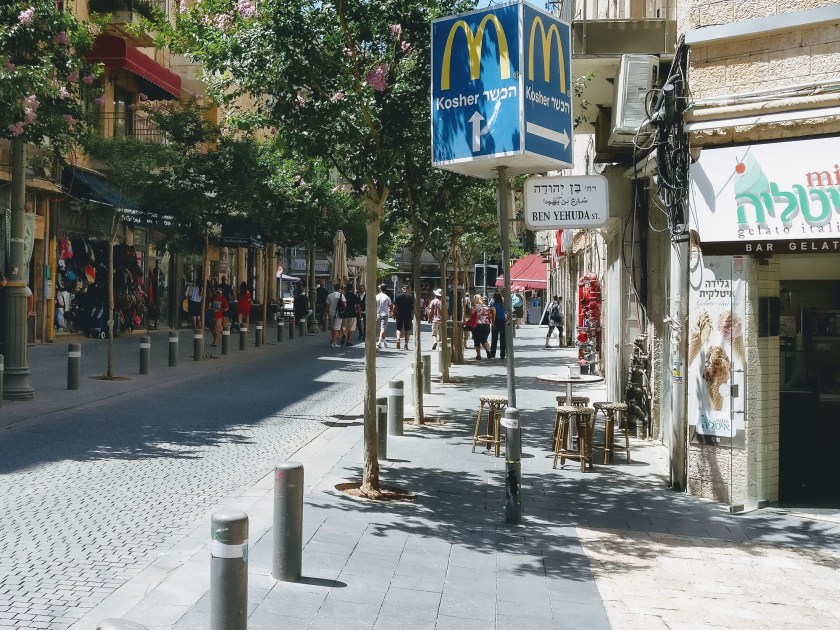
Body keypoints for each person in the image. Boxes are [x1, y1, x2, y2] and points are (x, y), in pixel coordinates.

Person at [392, 284, 415, 350]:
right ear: (408, 289)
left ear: (402, 289)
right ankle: (406, 344)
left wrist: (394, 314)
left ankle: (398, 339)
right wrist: (413, 313)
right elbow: (413, 306)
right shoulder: (411, 297)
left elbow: (394, 306)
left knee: (398, 329)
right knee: (407, 330)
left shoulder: (398, 296)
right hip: (408, 315)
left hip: (399, 314)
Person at [470, 294, 492, 360]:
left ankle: (478, 355)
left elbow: (472, 314)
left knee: (477, 340)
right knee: (484, 340)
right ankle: (488, 351)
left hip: (477, 325)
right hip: (486, 325)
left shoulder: (474, 306)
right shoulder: (486, 307)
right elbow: (489, 316)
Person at [325, 282, 345, 348]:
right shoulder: (341, 295)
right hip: (338, 313)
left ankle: (332, 339)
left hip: (331, 312)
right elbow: (344, 305)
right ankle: (334, 342)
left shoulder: (329, 295)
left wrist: (325, 313)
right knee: (336, 327)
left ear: (334, 288)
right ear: (340, 289)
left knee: (332, 327)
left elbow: (327, 305)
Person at [490, 292, 506, 359]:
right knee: (503, 339)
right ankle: (502, 354)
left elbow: (493, 315)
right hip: (503, 322)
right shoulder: (503, 305)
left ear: (495, 298)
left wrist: (493, 323)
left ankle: (492, 354)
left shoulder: (494, 305)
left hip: (496, 321)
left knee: (494, 339)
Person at [375, 284, 391, 349]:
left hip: (378, 314)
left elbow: (374, 305)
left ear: (380, 289)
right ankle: (379, 342)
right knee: (382, 329)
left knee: (380, 329)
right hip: (385, 314)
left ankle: (384, 341)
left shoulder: (376, 296)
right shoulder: (387, 297)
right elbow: (390, 305)